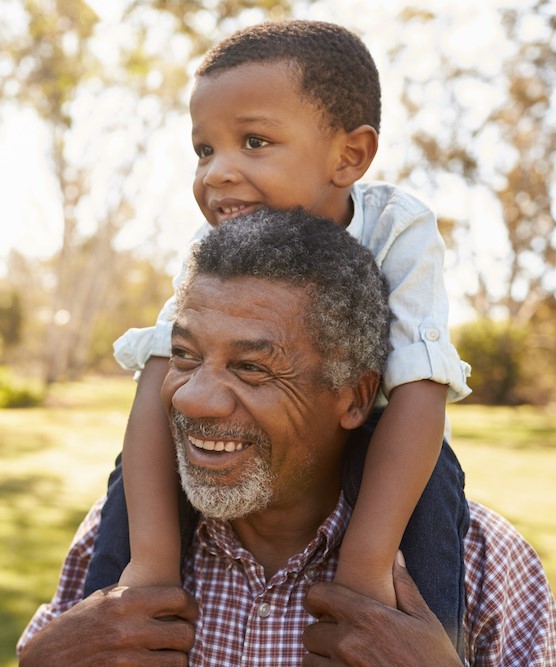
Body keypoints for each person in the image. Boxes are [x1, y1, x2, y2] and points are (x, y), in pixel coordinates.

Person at [17, 210, 556, 666]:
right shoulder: (117, 537)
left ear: (353, 398)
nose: (191, 399)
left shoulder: (483, 564)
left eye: (251, 367)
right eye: (183, 356)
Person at [85, 20, 472, 652]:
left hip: (383, 440)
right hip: (252, 450)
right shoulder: (213, 250)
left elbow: (420, 388)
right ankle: (107, 639)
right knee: (135, 471)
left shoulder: (397, 229)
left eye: (254, 141)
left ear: (349, 155)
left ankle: (418, 642)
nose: (218, 174)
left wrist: (366, 567)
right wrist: (149, 562)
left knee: (435, 490)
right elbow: (160, 374)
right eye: (204, 150)